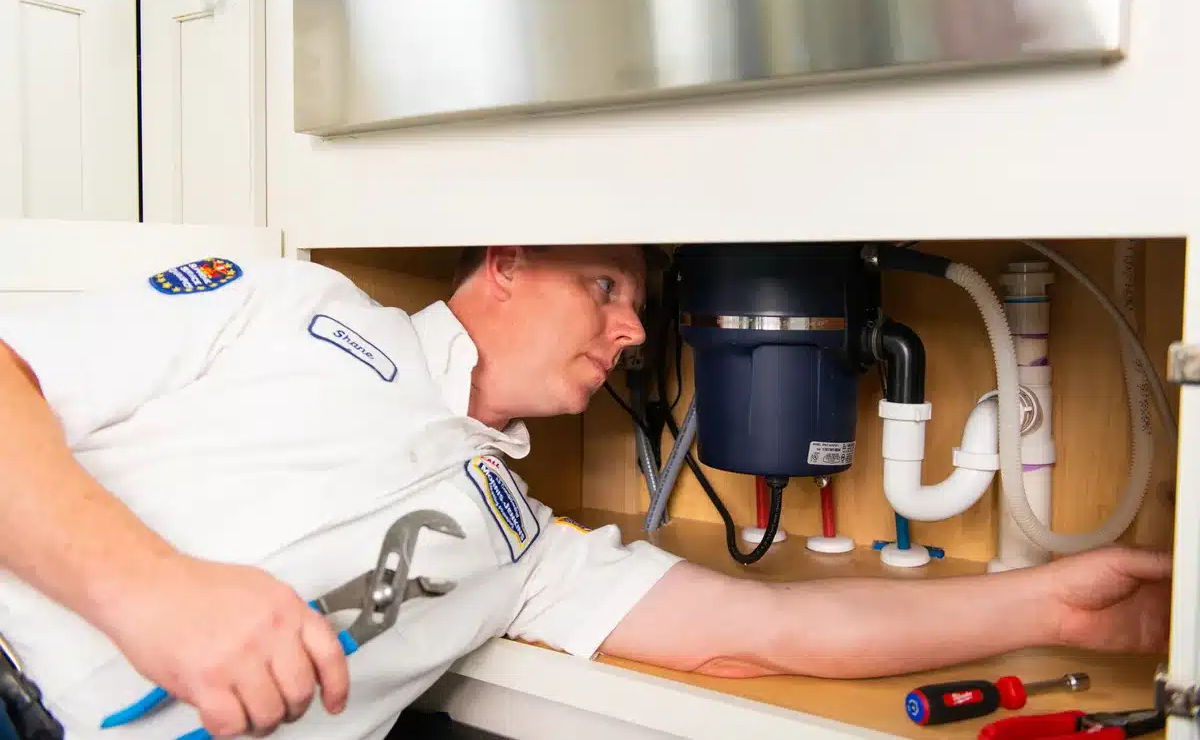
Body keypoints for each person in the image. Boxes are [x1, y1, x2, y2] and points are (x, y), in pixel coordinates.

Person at [0, 244, 1170, 740]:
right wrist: (150, 593)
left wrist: (1050, 606)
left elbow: (771, 629)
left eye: (639, 308)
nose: (629, 330)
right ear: (502, 262)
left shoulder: (523, 544)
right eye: (605, 284)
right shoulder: (283, 306)